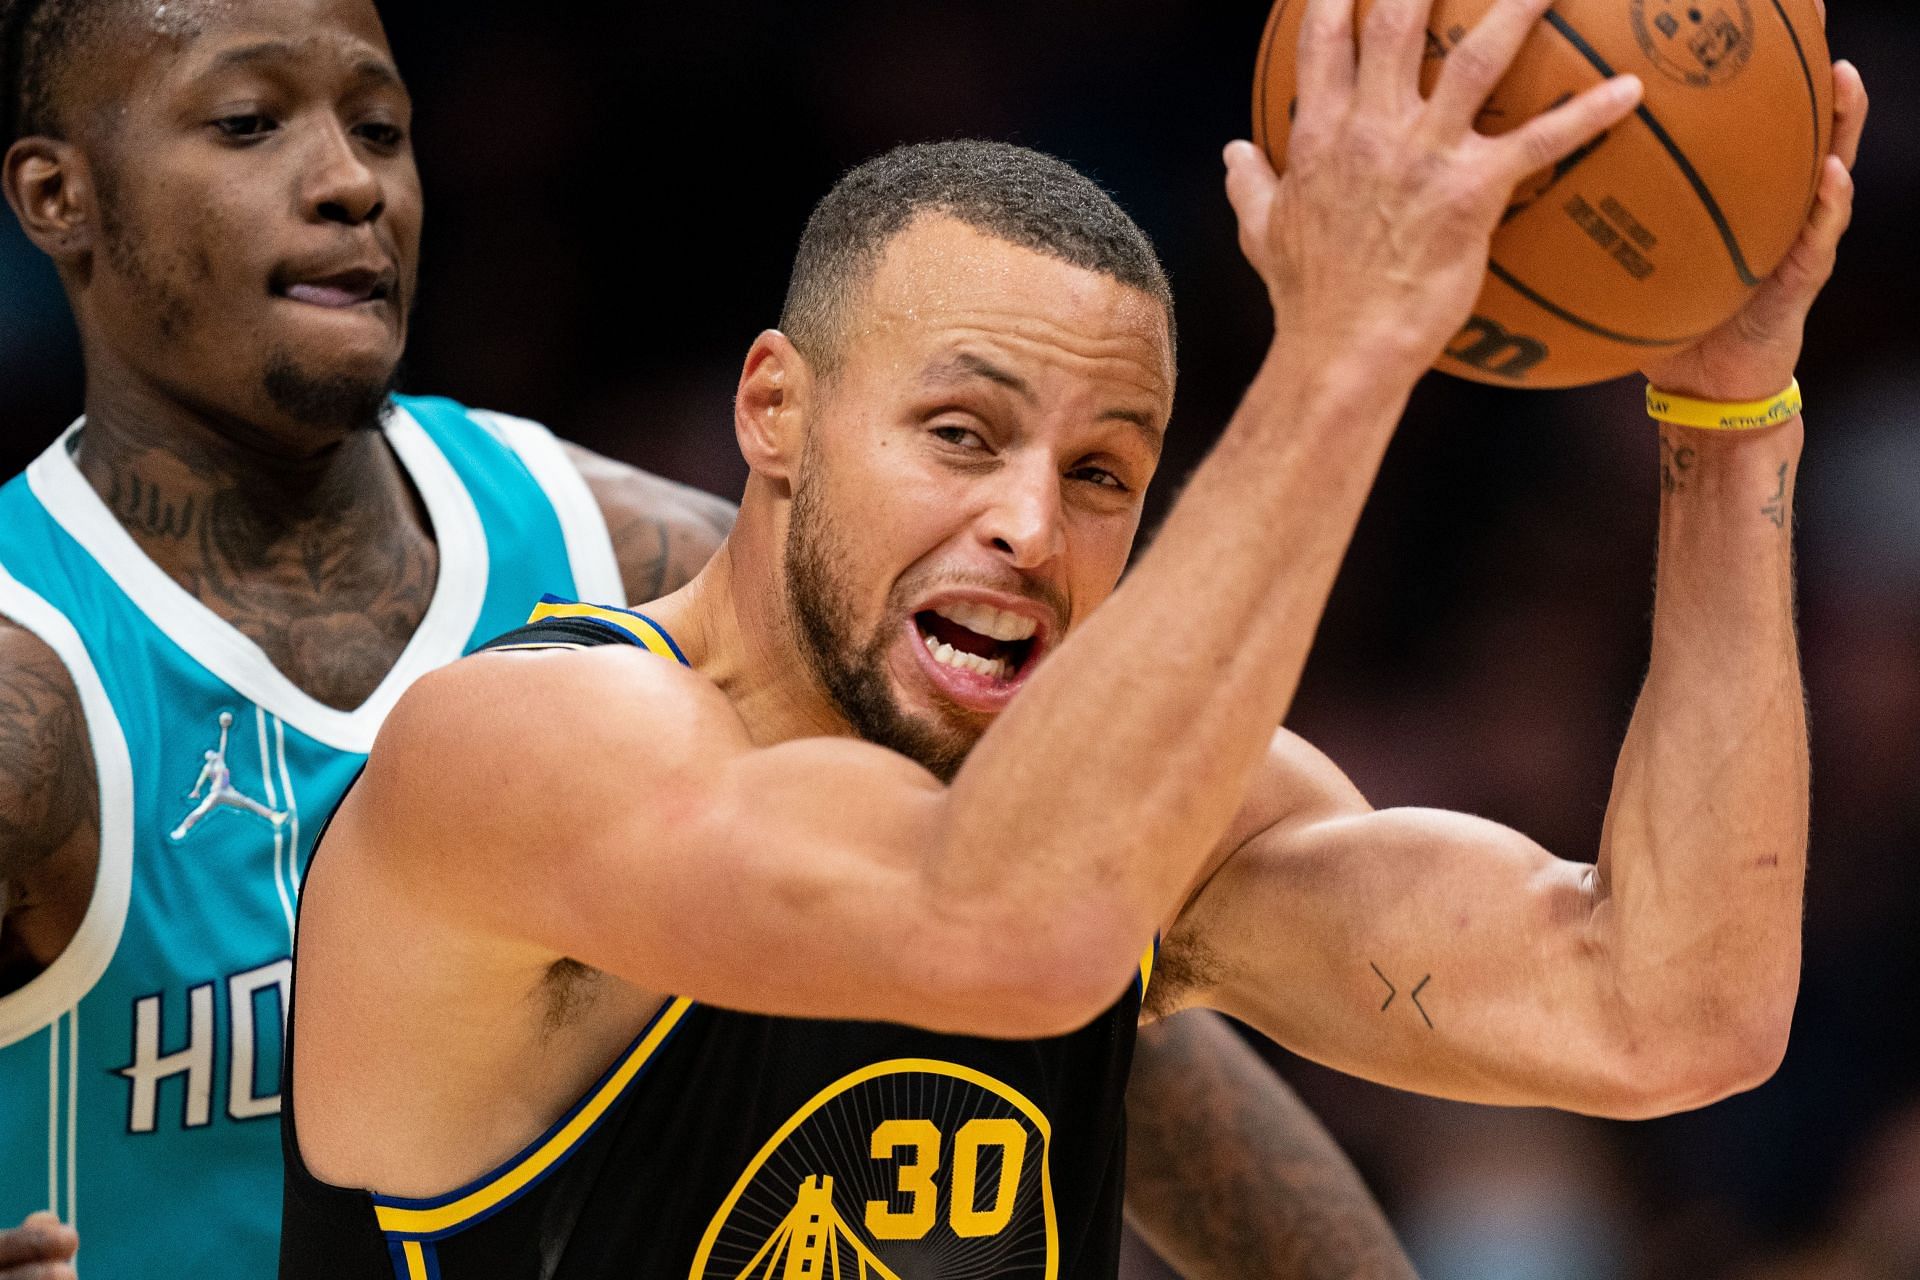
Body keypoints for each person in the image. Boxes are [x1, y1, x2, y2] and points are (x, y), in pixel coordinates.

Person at [280, 0, 1867, 1266]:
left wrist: (1728, 405)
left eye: (1104, 473)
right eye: (963, 435)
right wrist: (1352, 341)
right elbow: (989, 927)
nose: (1033, 527)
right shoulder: (529, 752)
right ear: (775, 409)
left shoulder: (1148, 831)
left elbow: (1672, 1011)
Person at [0, 0, 1419, 1276]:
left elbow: (1073, 987)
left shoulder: (626, 547)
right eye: (250, 124)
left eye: (379, 125)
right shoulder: (31, 686)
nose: (348, 180)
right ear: (56, 195)